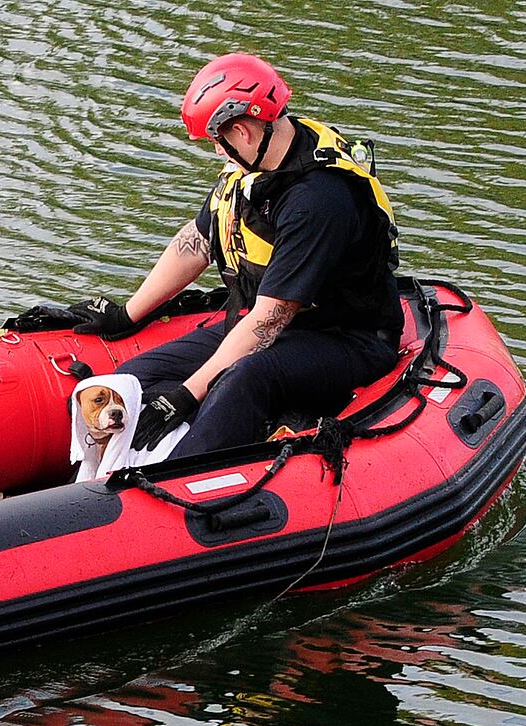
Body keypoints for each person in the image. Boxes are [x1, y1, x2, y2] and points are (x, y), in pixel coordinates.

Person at [77, 52, 402, 458]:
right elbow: (195, 242)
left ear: (243, 131)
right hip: (267, 319)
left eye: (218, 142)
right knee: (134, 379)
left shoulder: (317, 200)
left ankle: (172, 479)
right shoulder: (254, 169)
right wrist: (128, 313)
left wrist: (187, 394)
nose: (217, 153)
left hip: (345, 338)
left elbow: (271, 318)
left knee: (245, 377)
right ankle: (115, 465)